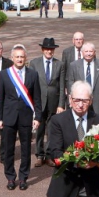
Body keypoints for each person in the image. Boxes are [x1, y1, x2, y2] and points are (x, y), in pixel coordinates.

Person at [0, 45, 41, 190]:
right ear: (12, 58)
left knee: (26, 149)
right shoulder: (5, 74)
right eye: (17, 57)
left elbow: (37, 98)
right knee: (9, 149)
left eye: (22, 56)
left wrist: (38, 117)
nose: (20, 59)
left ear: (25, 58)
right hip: (8, 117)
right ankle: (10, 177)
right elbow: (0, 99)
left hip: (26, 117)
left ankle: (23, 177)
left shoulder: (33, 74)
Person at [30, 38, 65, 167]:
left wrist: (61, 104)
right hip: (38, 101)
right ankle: (39, 155)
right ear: (42, 49)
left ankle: (49, 155)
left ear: (54, 50)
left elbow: (62, 86)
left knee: (52, 130)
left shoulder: (59, 64)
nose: (49, 51)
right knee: (39, 128)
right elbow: (31, 84)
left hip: (54, 103)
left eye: (51, 49)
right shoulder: (34, 63)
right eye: (46, 49)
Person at [65, 42, 99, 116]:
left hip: (97, 104)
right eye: (86, 51)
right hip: (80, 103)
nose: (88, 54)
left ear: (94, 52)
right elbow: (70, 84)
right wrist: (71, 100)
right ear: (82, 52)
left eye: (91, 51)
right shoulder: (74, 65)